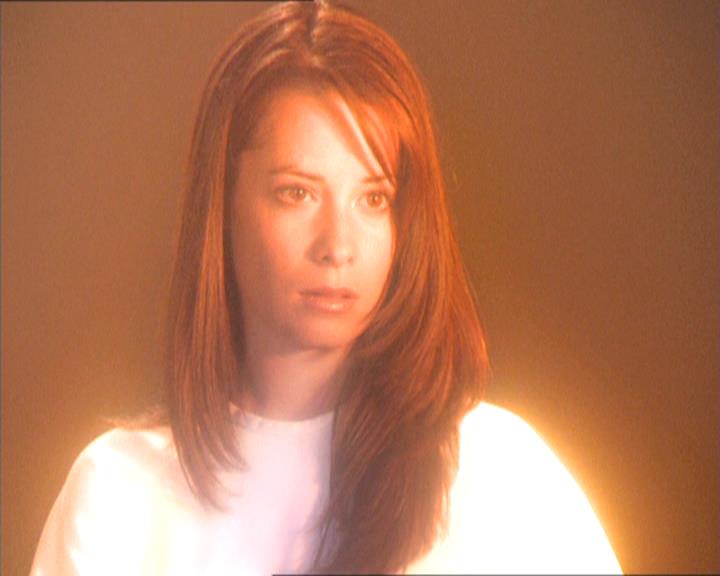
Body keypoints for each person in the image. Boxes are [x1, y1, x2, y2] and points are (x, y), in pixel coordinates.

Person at [30, 2, 622, 574]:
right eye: (297, 193)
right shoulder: (117, 496)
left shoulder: (503, 477)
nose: (338, 244)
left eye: (373, 199)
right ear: (224, 207)